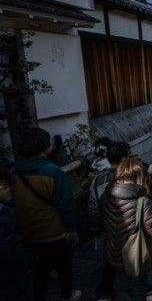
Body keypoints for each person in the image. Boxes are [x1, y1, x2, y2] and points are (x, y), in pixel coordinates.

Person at [10, 127, 81, 301]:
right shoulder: (53, 173)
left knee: (42, 266)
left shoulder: (14, 172)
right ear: (42, 148)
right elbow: (66, 205)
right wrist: (71, 227)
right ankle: (67, 295)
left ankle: (37, 295)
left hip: (28, 231)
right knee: (64, 265)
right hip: (55, 231)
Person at [97, 157, 152, 301]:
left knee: (127, 280)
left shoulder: (106, 195)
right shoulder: (141, 201)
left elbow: (103, 221)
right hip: (135, 253)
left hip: (113, 249)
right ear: (140, 177)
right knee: (138, 288)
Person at [89, 142, 130, 249]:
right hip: (129, 227)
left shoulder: (97, 180)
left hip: (108, 227)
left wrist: (95, 228)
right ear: (124, 159)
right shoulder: (131, 177)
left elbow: (94, 207)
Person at [0, 167, 32, 301]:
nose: (8, 192)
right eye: (6, 188)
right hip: (9, 279)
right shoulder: (3, 219)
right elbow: (12, 252)